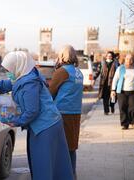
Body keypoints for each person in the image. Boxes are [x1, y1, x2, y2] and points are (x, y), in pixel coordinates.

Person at [0, 51, 73, 180]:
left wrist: (15, 121)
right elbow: (7, 84)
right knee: (54, 163)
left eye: (9, 69)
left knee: (43, 164)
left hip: (45, 127)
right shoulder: (25, 75)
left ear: (18, 66)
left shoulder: (29, 84)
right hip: (49, 123)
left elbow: (32, 111)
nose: (8, 72)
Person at [49, 45, 83, 177]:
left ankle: (64, 175)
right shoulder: (78, 72)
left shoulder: (62, 71)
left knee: (60, 147)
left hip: (62, 113)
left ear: (62, 55)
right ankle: (72, 173)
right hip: (76, 113)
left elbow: (50, 92)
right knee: (71, 146)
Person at [111, 53, 134, 129]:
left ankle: (133, 121)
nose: (129, 60)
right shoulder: (120, 68)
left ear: (133, 60)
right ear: (125, 59)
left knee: (133, 107)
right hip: (122, 91)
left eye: (130, 59)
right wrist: (113, 90)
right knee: (122, 107)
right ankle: (124, 124)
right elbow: (115, 79)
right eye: (127, 59)